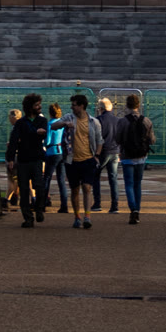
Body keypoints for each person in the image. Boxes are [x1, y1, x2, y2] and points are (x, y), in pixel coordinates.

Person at [6, 93, 50, 229]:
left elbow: (44, 135)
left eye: (39, 104)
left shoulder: (42, 121)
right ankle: (28, 218)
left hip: (37, 158)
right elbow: (14, 140)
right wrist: (10, 158)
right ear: (30, 107)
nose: (39, 107)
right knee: (24, 190)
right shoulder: (21, 123)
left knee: (39, 186)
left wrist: (32, 134)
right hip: (23, 160)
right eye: (37, 105)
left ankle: (39, 208)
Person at [63, 95, 103, 230]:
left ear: (81, 106)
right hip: (72, 160)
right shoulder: (69, 118)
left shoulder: (94, 122)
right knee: (74, 190)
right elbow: (54, 126)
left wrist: (96, 156)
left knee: (87, 187)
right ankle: (77, 216)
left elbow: (100, 140)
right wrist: (64, 124)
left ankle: (87, 216)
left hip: (88, 159)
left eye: (74, 105)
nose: (72, 107)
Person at [120, 92, 155, 222]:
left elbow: (117, 138)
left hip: (127, 155)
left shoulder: (123, 121)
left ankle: (133, 209)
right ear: (138, 105)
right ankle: (137, 210)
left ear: (127, 105)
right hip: (141, 156)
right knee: (137, 184)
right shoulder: (146, 121)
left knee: (128, 184)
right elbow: (152, 140)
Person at [97, 97, 125, 213]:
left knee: (95, 176)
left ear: (101, 109)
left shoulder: (98, 120)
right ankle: (114, 205)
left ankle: (97, 203)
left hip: (103, 151)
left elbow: (97, 137)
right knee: (113, 179)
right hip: (115, 151)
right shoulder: (117, 120)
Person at [44, 103, 70, 213]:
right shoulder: (62, 123)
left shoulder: (50, 124)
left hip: (52, 152)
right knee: (61, 180)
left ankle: (43, 203)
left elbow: (48, 141)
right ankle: (64, 205)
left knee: (47, 178)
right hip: (61, 152)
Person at [4, 109, 23, 208]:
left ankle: (7, 199)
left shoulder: (16, 128)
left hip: (14, 156)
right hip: (20, 156)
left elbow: (14, 144)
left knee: (11, 179)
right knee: (17, 179)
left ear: (12, 118)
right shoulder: (24, 126)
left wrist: (10, 158)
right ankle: (15, 197)